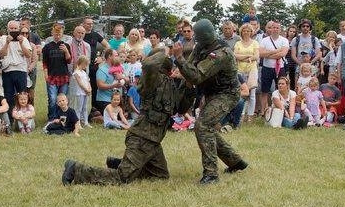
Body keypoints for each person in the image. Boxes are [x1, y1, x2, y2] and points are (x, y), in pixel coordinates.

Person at [63, 51, 194, 185]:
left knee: (160, 175)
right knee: (122, 177)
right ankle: (75, 169)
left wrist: (189, 85)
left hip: (153, 140)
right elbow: (148, 64)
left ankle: (122, 164)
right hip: (142, 137)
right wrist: (166, 53)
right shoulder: (150, 80)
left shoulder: (169, 83)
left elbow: (180, 109)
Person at [175, 20, 248, 183]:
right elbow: (190, 67)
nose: (195, 38)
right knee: (206, 127)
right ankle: (235, 162)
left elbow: (196, 75)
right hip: (211, 93)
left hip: (227, 94)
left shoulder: (221, 53)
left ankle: (211, 174)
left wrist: (179, 58)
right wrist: (182, 71)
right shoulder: (201, 47)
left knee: (203, 126)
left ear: (204, 35)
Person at [0, 20, 32, 117]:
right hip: (7, 70)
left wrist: (21, 43)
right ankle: (10, 118)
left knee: (22, 95)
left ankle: (23, 117)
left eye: (15, 28)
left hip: (21, 70)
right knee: (8, 96)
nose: (13, 30)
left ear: (19, 29)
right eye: (11, 28)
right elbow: (1, 54)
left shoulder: (23, 39)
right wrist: (7, 43)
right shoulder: (3, 39)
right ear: (8, 29)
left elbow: (28, 55)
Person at [41, 22, 72, 120]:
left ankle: (62, 117)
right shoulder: (47, 47)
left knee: (63, 99)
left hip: (64, 76)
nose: (57, 36)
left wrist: (66, 51)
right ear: (52, 33)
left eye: (59, 34)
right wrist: (45, 74)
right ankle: (52, 118)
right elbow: (44, 62)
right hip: (52, 76)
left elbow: (69, 61)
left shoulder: (66, 45)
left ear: (62, 34)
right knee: (53, 98)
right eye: (56, 34)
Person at [257, 20, 288, 116]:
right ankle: (263, 111)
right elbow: (261, 54)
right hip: (267, 68)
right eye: (273, 27)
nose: (275, 29)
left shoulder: (284, 40)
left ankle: (280, 110)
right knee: (264, 91)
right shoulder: (264, 40)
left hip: (280, 68)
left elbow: (282, 54)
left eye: (277, 28)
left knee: (281, 90)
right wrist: (276, 51)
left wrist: (268, 54)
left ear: (280, 29)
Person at [233, 22, 259, 122]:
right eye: (244, 31)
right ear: (241, 32)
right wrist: (248, 57)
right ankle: (241, 114)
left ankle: (250, 116)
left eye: (248, 31)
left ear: (251, 32)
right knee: (242, 93)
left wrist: (244, 58)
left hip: (252, 70)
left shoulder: (255, 43)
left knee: (252, 94)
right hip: (240, 70)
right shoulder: (238, 43)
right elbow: (235, 55)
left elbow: (256, 56)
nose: (246, 32)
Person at [71, 56, 92, 127]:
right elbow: (80, 83)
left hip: (86, 92)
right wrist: (86, 89)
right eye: (86, 64)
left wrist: (89, 89)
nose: (86, 66)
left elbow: (88, 81)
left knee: (85, 107)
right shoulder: (76, 73)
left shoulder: (84, 72)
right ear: (82, 63)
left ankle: (86, 122)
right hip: (80, 92)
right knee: (79, 108)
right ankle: (78, 123)